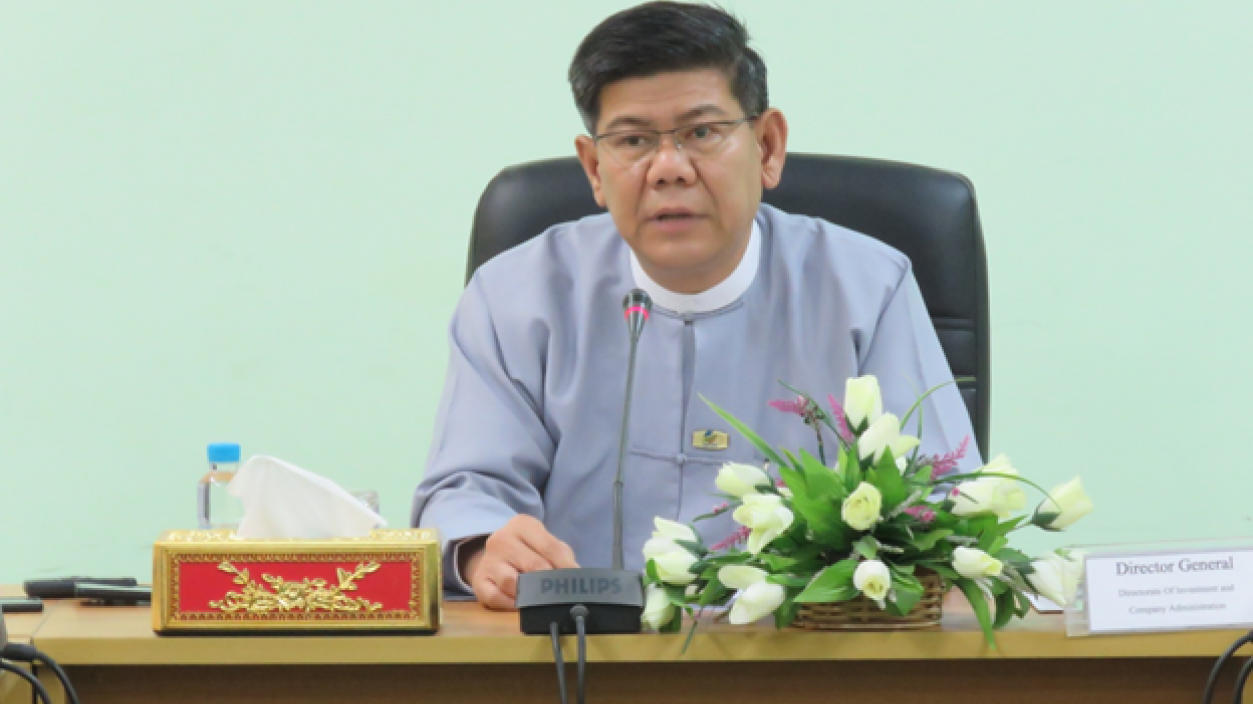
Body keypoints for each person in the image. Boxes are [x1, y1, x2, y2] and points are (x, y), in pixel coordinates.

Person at [412, 1, 980, 610]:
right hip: (578, 644)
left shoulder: (867, 289)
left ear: (767, 146)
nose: (668, 169)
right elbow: (465, 493)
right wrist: (484, 549)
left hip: (804, 647)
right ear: (595, 169)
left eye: (701, 133)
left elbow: (941, 505)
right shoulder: (514, 295)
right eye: (633, 140)